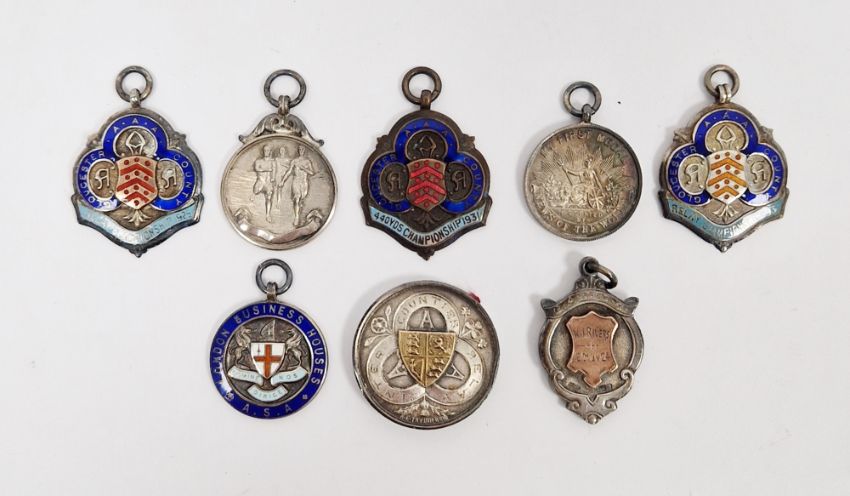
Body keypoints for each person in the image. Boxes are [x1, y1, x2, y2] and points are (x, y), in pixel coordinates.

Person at [284, 145, 315, 226]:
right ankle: (296, 217)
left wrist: (304, 168)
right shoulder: (294, 161)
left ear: (304, 151)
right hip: (296, 181)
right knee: (297, 197)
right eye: (299, 149)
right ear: (298, 151)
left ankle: (299, 206)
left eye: (302, 149)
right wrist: (283, 181)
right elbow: (289, 171)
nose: (301, 151)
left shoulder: (307, 161)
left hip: (304, 182)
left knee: (302, 198)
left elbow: (312, 172)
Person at [252, 145, 276, 222]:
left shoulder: (272, 162)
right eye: (265, 150)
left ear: (270, 152)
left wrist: (272, 178)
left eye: (267, 150)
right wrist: (267, 169)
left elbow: (274, 171)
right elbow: (257, 169)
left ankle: (268, 215)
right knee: (256, 189)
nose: (266, 152)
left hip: (268, 182)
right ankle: (254, 194)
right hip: (261, 181)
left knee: (269, 198)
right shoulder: (258, 161)